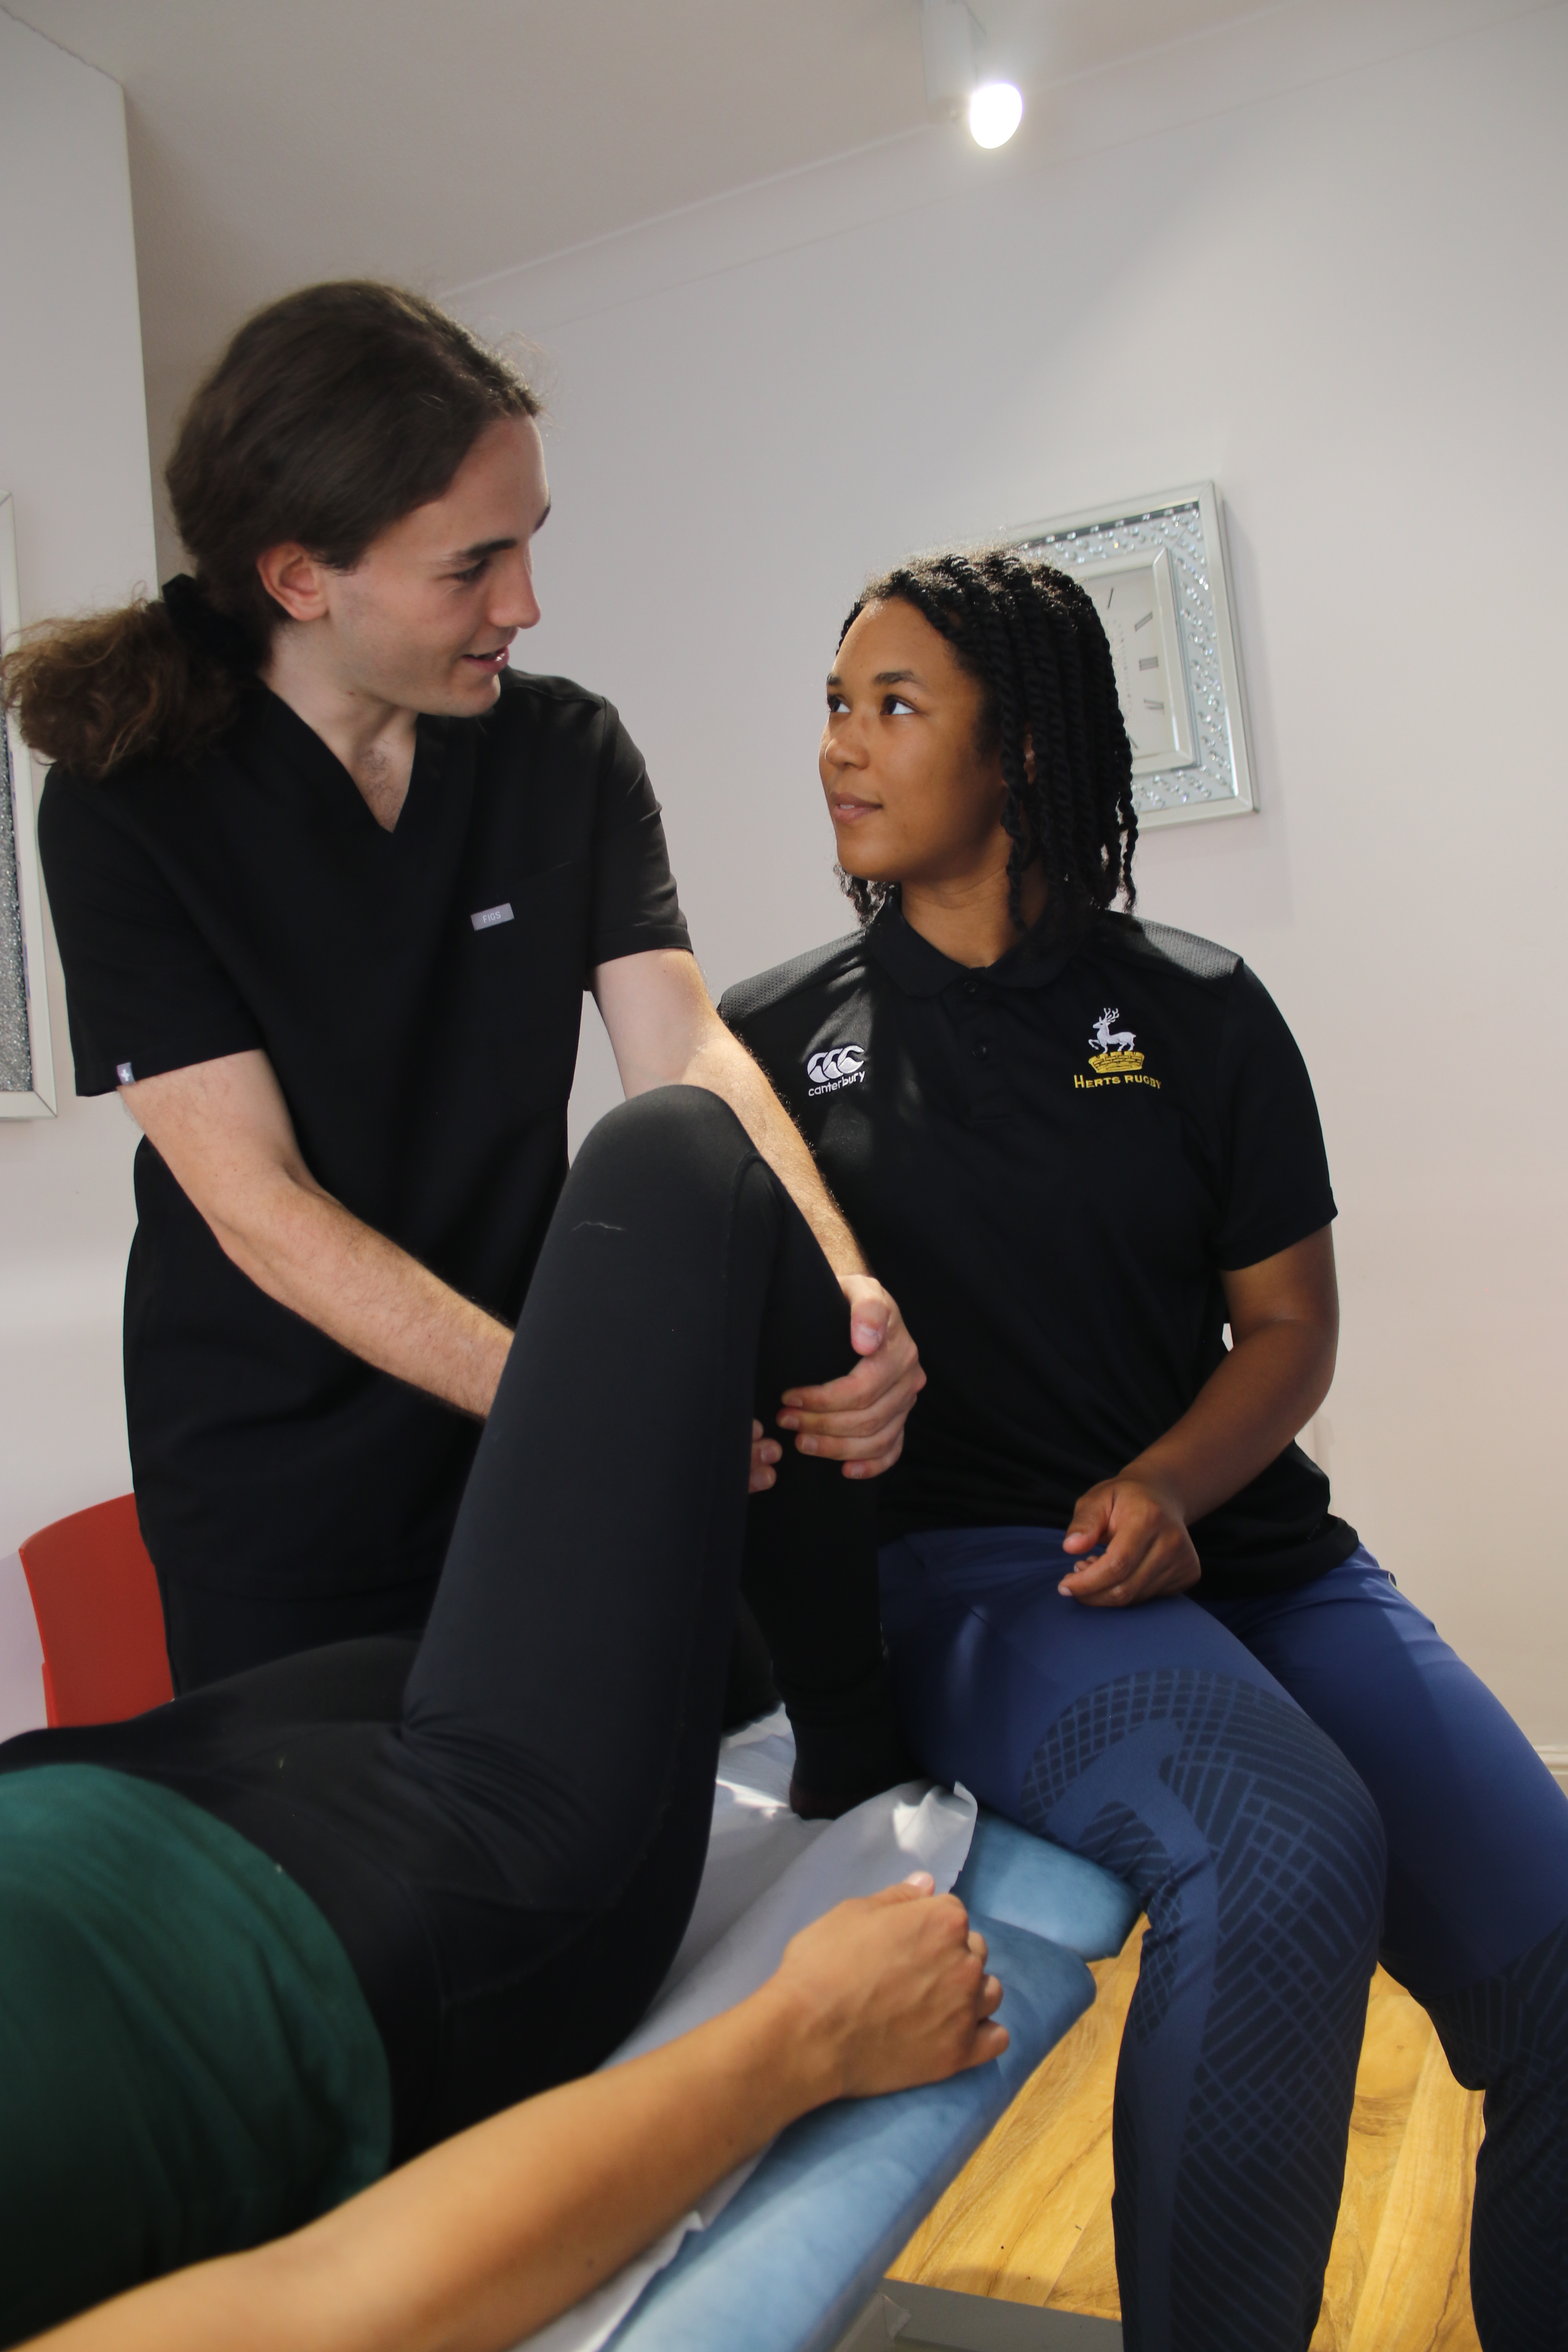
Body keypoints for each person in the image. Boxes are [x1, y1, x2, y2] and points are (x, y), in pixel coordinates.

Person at [720, 547, 1568, 2352]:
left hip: (1251, 1556)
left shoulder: (1197, 1006)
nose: (839, 747)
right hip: (979, 1573)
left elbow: (1288, 1329)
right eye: (833, 705)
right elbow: (722, 1374)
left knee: (1560, 1961)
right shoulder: (772, 1043)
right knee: (1280, 1846)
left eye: (892, 706)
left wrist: (1176, 1484)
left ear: (1021, 747)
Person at [2, 281, 922, 1693]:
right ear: (301, 577)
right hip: (286, 1497)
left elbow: (686, 1057)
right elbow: (257, 1202)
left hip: (544, 1438)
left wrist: (841, 1284)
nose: (525, 604)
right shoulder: (130, 808)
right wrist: (579, 1411)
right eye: (472, 567)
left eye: (530, 541)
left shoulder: (564, 754)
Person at [0, 1085, 1005, 2351]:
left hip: (119, 1793)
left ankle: (809, 1655)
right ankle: (856, 1746)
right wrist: (808, 2035)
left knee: (678, 1622)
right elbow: (326, 2307)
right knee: (674, 1158)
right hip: (367, 1930)